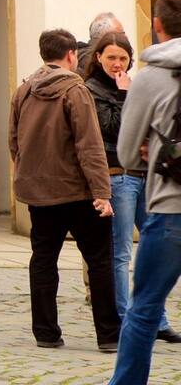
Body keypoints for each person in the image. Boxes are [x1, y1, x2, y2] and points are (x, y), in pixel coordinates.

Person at [11, 28, 119, 352]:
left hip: (39, 193)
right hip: (77, 191)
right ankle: (109, 334)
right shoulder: (76, 90)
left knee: (43, 259)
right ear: (71, 54)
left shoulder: (24, 91)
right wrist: (102, 192)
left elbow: (13, 141)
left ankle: (45, 331)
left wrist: (28, 175)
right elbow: (89, 144)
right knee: (99, 261)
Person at [84, 30, 181, 344]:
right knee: (122, 251)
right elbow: (110, 129)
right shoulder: (93, 89)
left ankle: (157, 320)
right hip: (117, 174)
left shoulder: (137, 82)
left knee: (150, 246)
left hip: (144, 176)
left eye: (123, 58)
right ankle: (127, 316)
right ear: (98, 58)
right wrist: (125, 93)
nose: (117, 63)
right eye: (111, 57)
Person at [113, 0, 181, 383]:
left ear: (158, 26)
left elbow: (126, 153)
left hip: (171, 208)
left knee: (145, 309)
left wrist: (152, 150)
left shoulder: (150, 77)